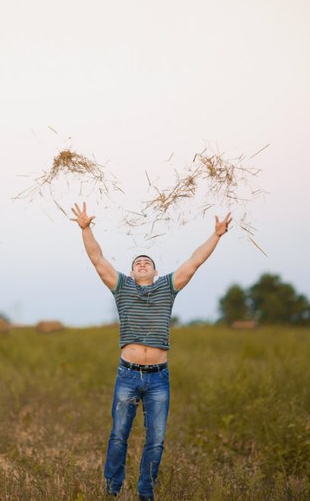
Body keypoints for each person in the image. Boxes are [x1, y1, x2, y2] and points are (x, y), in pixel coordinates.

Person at [70, 202, 231, 501]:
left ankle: (146, 491)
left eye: (148, 262)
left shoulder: (168, 288)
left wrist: (217, 236)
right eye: (137, 263)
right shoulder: (122, 288)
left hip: (159, 378)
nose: (142, 264)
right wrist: (86, 228)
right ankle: (112, 490)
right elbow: (97, 258)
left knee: (155, 441)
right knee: (119, 436)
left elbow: (195, 261)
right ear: (131, 272)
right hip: (127, 375)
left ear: (156, 272)